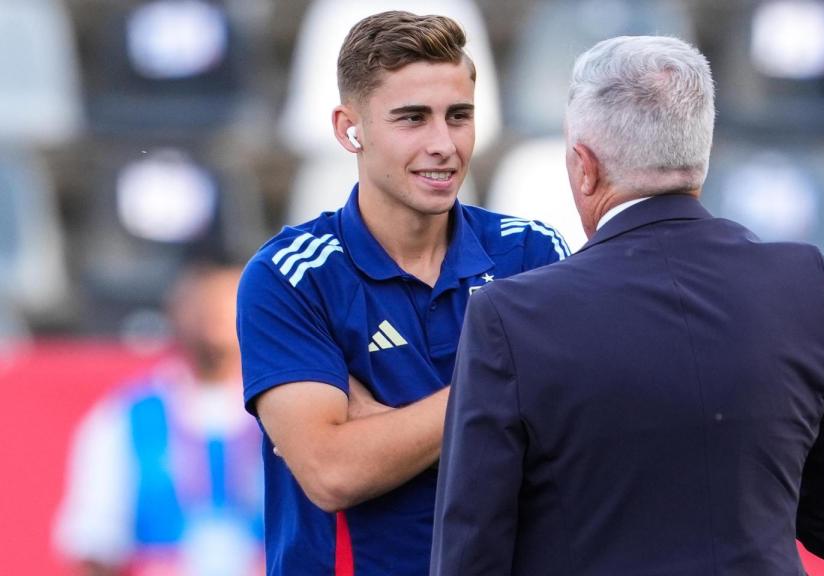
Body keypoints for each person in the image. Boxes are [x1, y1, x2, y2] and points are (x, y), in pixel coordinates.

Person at [431, 35, 824, 576]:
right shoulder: (802, 282)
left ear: (584, 167)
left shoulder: (512, 315)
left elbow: (470, 557)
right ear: (699, 154)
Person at [235, 11, 568, 576]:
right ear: (349, 129)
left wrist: (377, 426)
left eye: (458, 116)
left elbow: (571, 445)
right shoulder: (291, 276)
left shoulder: (532, 253)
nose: (443, 143)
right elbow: (332, 473)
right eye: (412, 119)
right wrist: (503, 391)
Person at [53, 262, 264, 576]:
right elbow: (93, 545)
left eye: (227, 301)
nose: (214, 316)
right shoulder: (125, 417)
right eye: (202, 303)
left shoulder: (285, 412)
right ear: (175, 310)